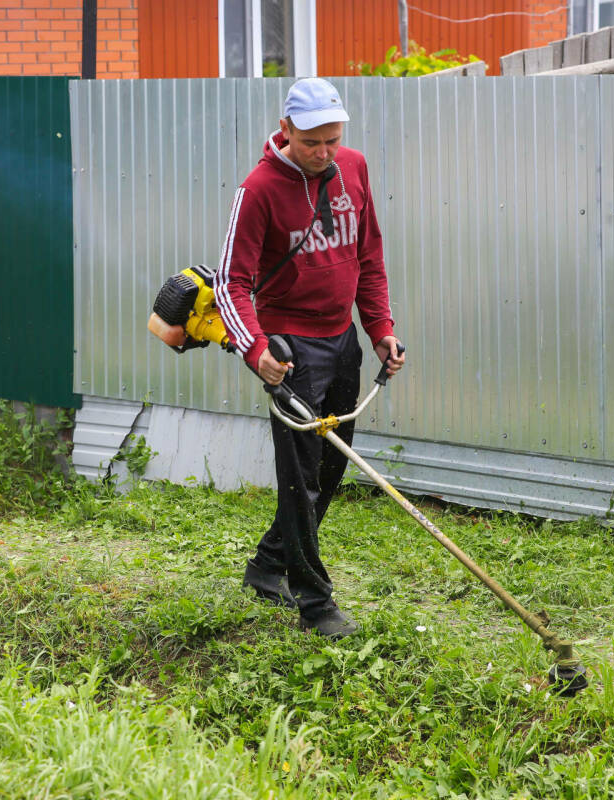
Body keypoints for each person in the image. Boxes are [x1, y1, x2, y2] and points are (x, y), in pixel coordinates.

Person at [213, 78, 406, 640]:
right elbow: (232, 282)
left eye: (334, 140)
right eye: (314, 142)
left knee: (329, 468)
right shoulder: (259, 190)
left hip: (341, 338)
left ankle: (269, 565)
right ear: (287, 130)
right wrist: (256, 350)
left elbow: (367, 254)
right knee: (299, 478)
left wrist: (381, 331)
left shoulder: (354, 168)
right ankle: (314, 601)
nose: (326, 153)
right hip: (290, 348)